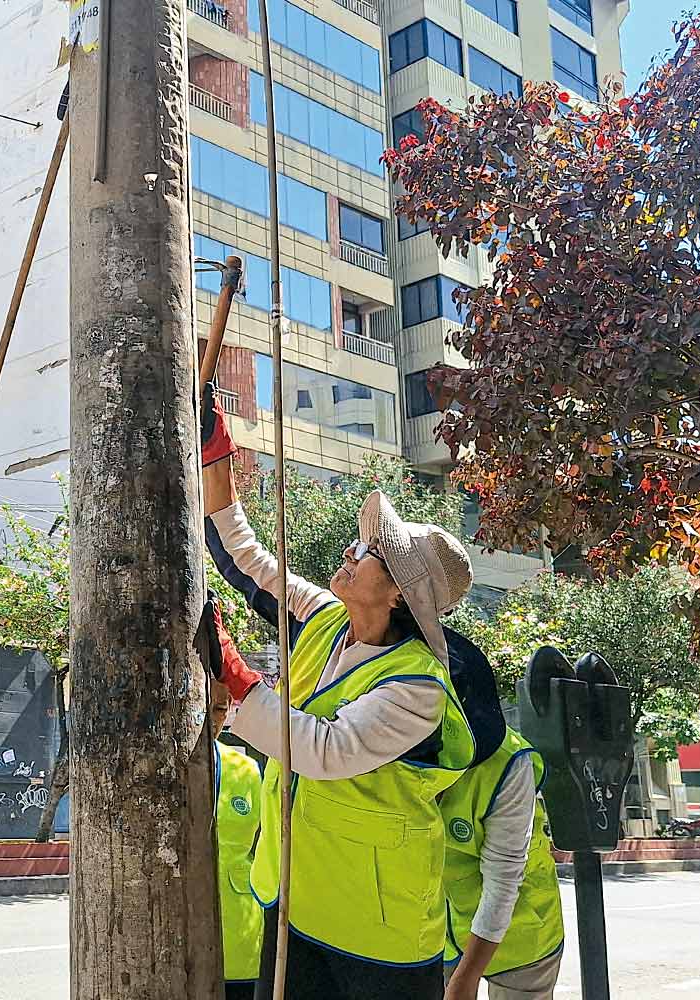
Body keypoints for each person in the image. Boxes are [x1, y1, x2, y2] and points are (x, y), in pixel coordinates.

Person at [198, 385, 476, 1000]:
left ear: (398, 593)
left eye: (370, 553)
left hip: (380, 932)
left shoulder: (417, 688)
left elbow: (322, 750)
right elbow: (244, 556)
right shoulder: (324, 617)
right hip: (296, 899)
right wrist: (215, 450)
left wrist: (232, 672)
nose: (352, 552)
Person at [441, 725, 566, 1000]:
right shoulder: (394, 747)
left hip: (522, 936)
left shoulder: (507, 761)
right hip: (448, 935)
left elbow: (502, 883)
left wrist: (467, 977)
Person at [205, 666, 265, 1000]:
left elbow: (265, 842)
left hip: (240, 931)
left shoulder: (246, 769)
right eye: (206, 706)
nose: (212, 719)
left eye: (220, 708)